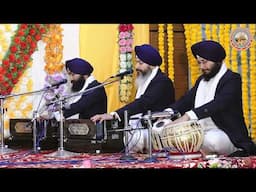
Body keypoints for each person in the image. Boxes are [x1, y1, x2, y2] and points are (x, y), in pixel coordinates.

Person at [164, 40, 256, 157]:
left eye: (205, 62)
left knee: (212, 140)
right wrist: (167, 113)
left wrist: (188, 116)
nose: (202, 67)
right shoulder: (201, 80)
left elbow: (219, 104)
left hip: (226, 134)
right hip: (201, 131)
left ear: (218, 60)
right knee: (179, 136)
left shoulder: (232, 79)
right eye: (199, 63)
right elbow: (186, 100)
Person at [91, 44, 175, 153]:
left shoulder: (162, 81)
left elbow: (143, 103)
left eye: (140, 63)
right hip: (143, 130)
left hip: (157, 132)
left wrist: (114, 115)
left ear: (151, 65)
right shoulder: (146, 79)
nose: (137, 67)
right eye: (136, 62)